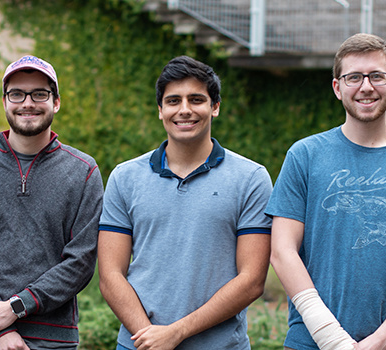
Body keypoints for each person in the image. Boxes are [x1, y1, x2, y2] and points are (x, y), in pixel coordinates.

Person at [265, 33, 386, 350]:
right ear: (338, 87)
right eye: (354, 77)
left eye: (376, 76)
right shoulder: (304, 156)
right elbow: (282, 252)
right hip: (311, 341)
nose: (366, 87)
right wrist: (331, 338)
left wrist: (381, 340)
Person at [98, 55, 273, 350]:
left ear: (215, 107)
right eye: (173, 101)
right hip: (139, 345)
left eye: (196, 99)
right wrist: (151, 338)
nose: (185, 110)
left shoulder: (250, 178)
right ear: (160, 110)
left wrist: (176, 333)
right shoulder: (124, 177)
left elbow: (252, 279)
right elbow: (110, 275)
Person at [0, 55, 104, 350]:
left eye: (39, 94)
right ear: (4, 102)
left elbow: (81, 260)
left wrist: (16, 307)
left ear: (56, 102)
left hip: (51, 337)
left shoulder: (83, 172)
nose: (27, 103)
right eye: (17, 94)